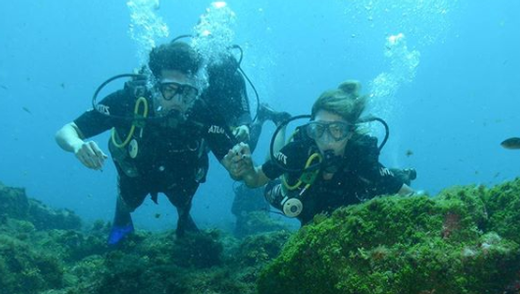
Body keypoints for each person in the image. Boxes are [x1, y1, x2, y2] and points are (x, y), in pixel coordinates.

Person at [55, 42, 241, 245]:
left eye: (186, 92)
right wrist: (76, 145)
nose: (178, 100)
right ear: (154, 84)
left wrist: (238, 166)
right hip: (137, 170)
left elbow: (234, 161)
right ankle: (122, 217)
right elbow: (66, 131)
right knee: (129, 200)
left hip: (182, 172)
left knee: (183, 201)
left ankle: (184, 219)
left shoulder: (203, 110)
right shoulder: (129, 101)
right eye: (169, 89)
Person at [227, 80, 417, 226]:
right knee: (270, 187)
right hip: (293, 196)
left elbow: (410, 197)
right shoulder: (299, 150)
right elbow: (255, 180)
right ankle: (280, 124)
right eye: (318, 129)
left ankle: (400, 173)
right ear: (311, 128)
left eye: (337, 130)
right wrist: (248, 169)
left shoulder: (363, 162)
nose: (326, 139)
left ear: (350, 132)